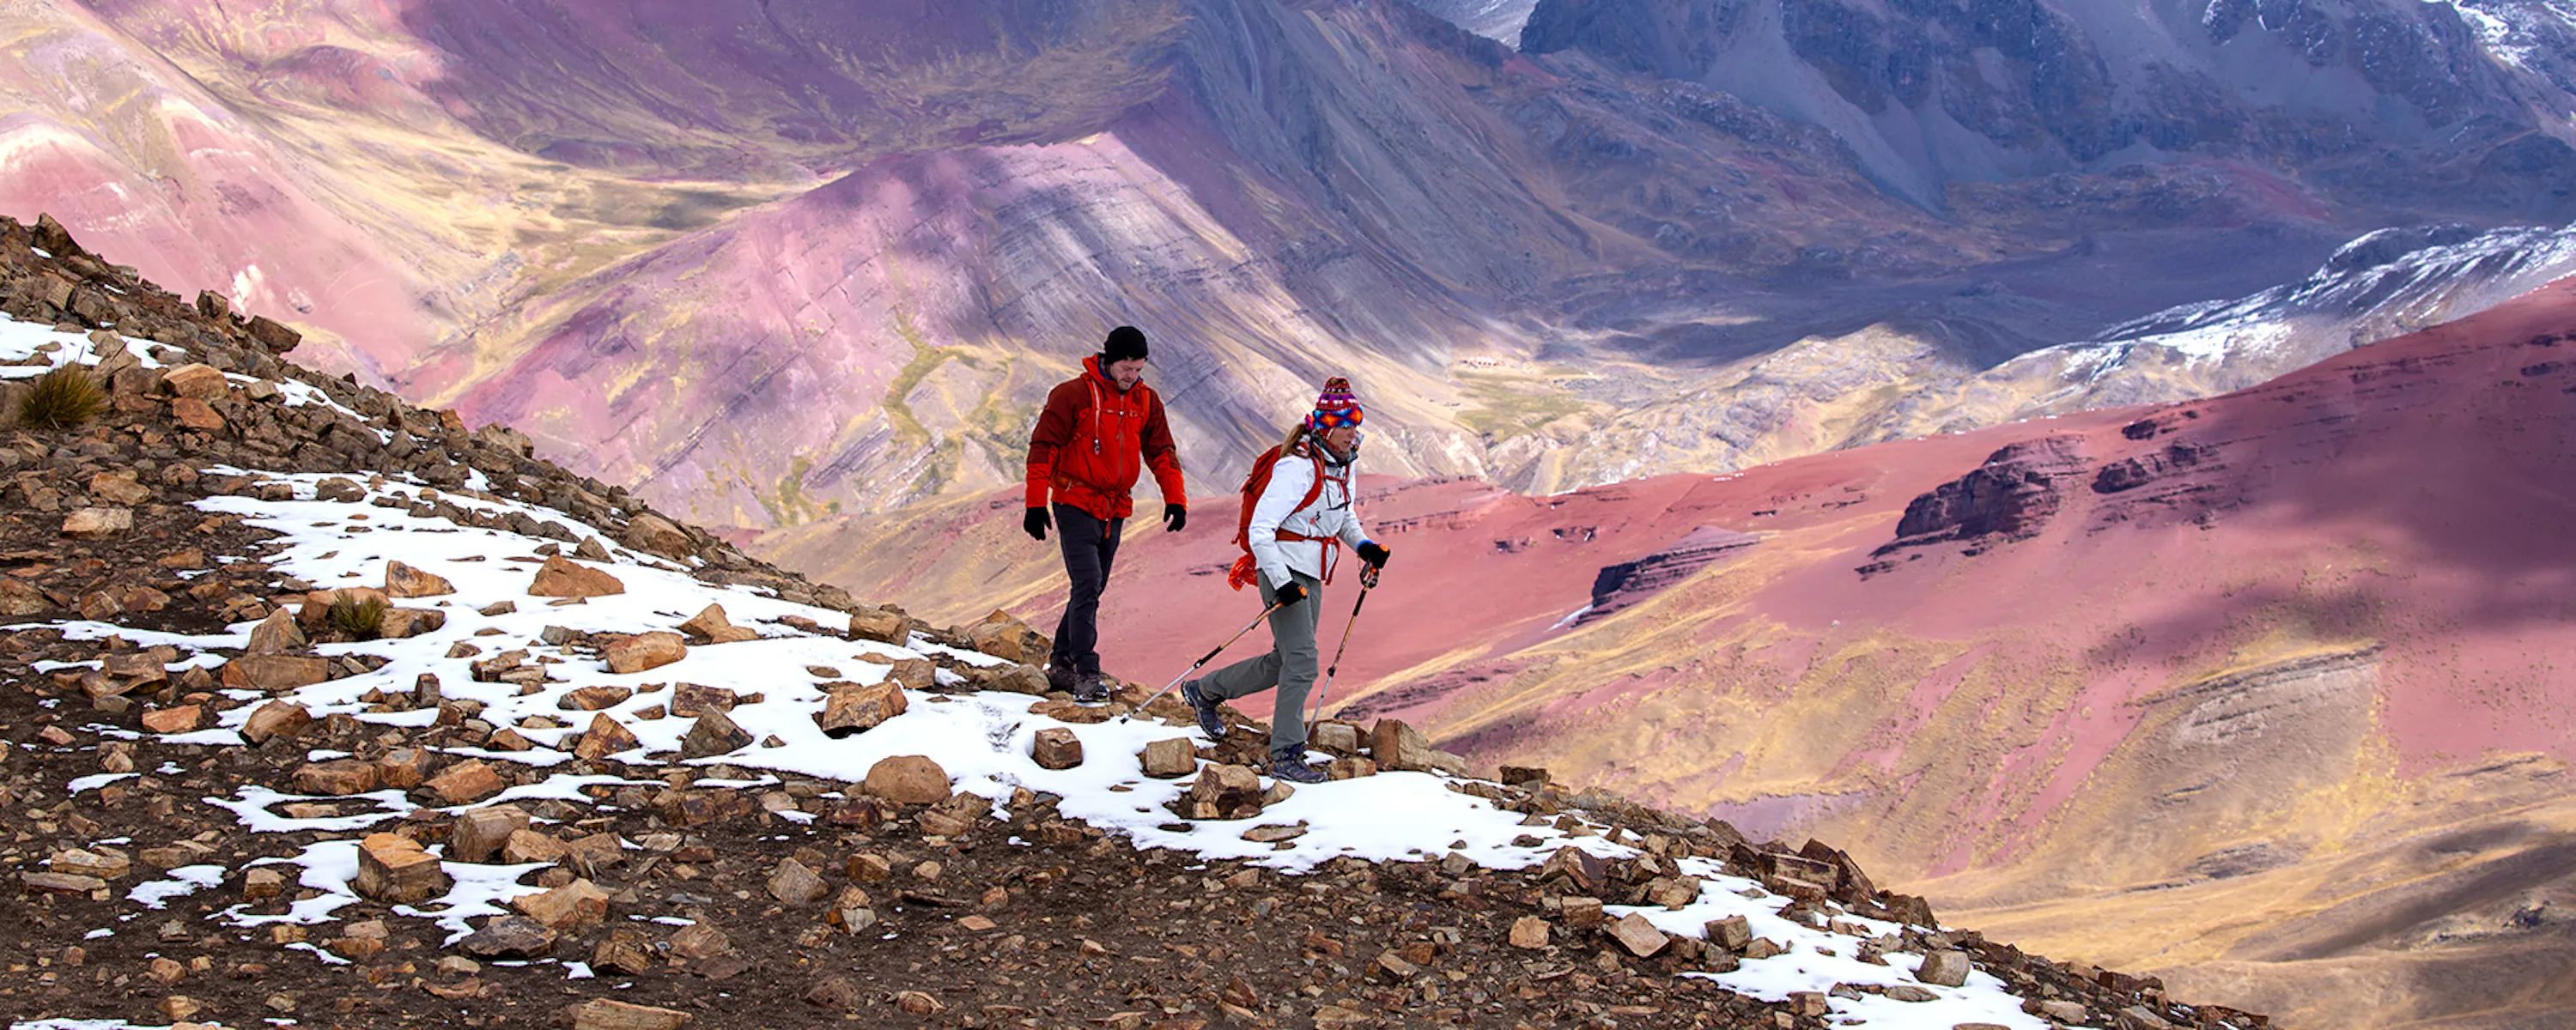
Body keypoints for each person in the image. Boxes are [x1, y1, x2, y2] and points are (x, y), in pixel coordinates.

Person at [1183, 378, 1391, 784]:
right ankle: (1287, 754)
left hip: (1311, 572)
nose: (1354, 433)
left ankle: (1204, 691)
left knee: (1286, 660)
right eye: (1347, 425)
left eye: (1356, 424)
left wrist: (1364, 547)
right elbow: (1262, 531)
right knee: (1302, 661)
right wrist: (1280, 582)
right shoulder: (1295, 469)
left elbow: (1342, 517)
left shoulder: (1343, 465)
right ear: (1327, 428)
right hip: (1282, 569)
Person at [1024, 325, 1188, 701]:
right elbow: (1043, 448)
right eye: (1125, 367)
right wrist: (1035, 503)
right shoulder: (1072, 395)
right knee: (1087, 584)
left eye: (1138, 367)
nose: (1131, 375)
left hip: (1115, 507)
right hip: (1074, 502)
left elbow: (1161, 452)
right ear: (1109, 360)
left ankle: (1061, 664)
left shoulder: (1146, 401)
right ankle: (1087, 672)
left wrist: (1176, 499)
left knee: (1093, 587)